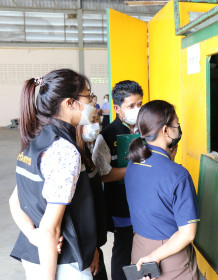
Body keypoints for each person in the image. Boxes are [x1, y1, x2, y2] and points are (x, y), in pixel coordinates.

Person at [9, 69, 97, 279]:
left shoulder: (35, 140)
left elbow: (15, 201)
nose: (92, 103)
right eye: (88, 96)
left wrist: (32, 235)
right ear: (70, 103)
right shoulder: (64, 151)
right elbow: (50, 230)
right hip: (62, 264)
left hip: (36, 257)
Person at [124, 100, 200, 279]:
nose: (179, 127)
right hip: (169, 256)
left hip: (139, 249)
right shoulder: (178, 174)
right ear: (165, 130)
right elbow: (187, 234)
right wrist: (154, 257)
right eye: (177, 123)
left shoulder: (133, 163)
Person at [92, 80, 143, 280]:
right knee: (123, 246)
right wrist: (135, 169)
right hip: (121, 204)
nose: (137, 110)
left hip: (144, 201)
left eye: (140, 104)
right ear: (117, 109)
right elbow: (102, 174)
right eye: (131, 106)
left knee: (143, 244)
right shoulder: (107, 136)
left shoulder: (145, 130)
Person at [76, 124, 108, 280]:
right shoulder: (73, 155)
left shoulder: (85, 151)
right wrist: (91, 248)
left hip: (95, 242)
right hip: (88, 247)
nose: (94, 125)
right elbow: (79, 209)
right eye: (89, 121)